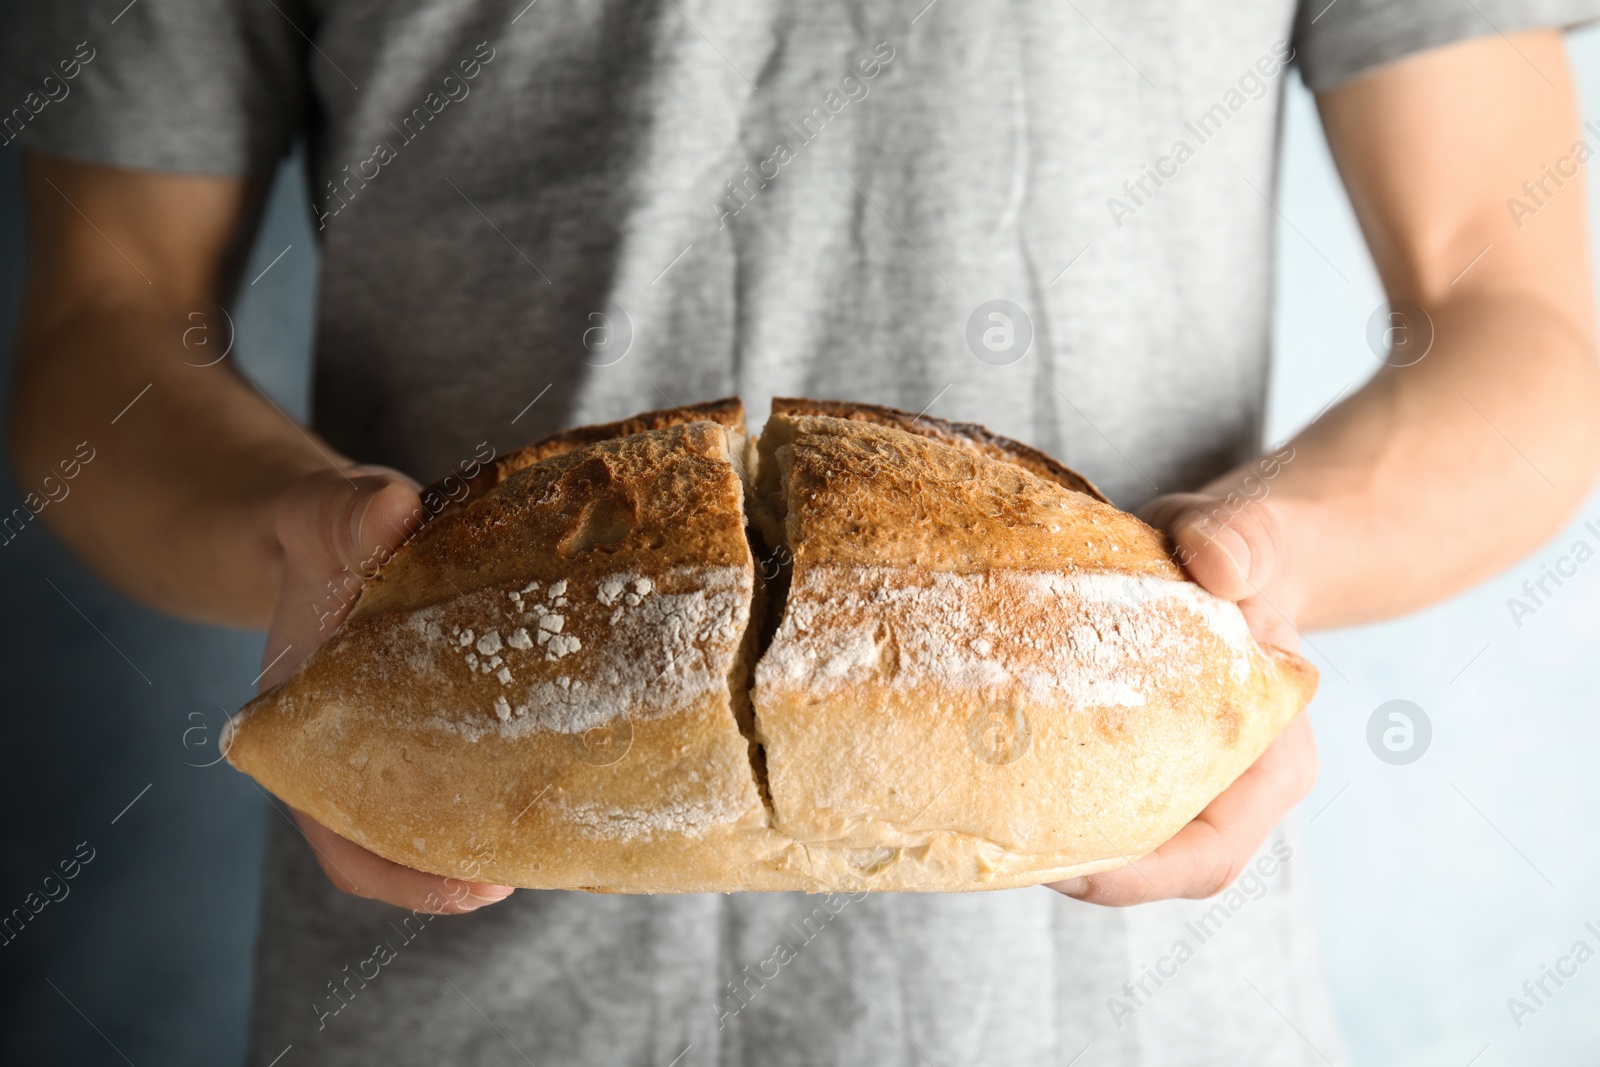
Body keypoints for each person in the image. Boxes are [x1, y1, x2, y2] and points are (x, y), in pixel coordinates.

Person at [7, 1, 1599, 1063]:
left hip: (1126, 1005)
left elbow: (1506, 307)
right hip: (439, 995)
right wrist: (292, 542)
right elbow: (107, 319)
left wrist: (1272, 564)